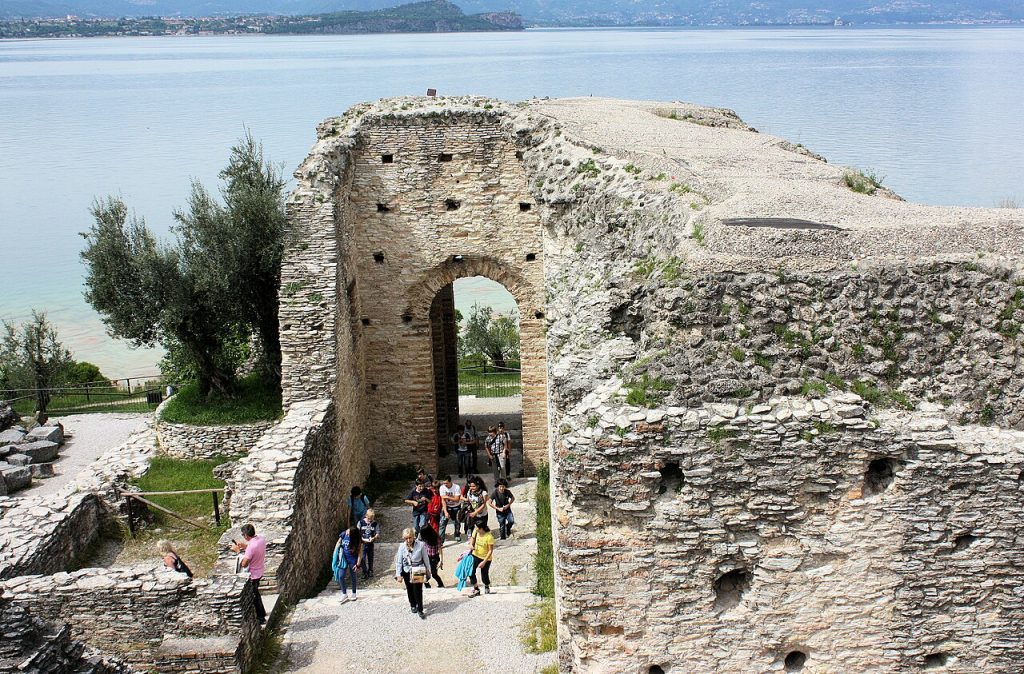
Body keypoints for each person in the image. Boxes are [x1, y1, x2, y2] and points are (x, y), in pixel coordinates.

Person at [231, 524, 267, 624]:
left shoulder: (251, 547)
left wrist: (238, 551)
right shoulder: (261, 539)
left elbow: (244, 563)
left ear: (246, 535)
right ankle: (262, 614)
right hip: (260, 571)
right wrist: (244, 546)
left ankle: (260, 617)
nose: (243, 537)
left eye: (243, 535)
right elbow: (254, 548)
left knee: (254, 595)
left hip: (253, 574)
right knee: (256, 593)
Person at [394, 527, 432, 619]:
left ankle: (420, 609)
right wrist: (398, 574)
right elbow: (399, 561)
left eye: (410, 538)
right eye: (406, 538)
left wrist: (428, 570)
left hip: (418, 568)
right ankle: (413, 604)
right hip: (407, 569)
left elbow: (425, 558)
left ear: (413, 537)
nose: (408, 540)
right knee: (410, 588)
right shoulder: (402, 547)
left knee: (418, 589)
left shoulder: (421, 545)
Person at [333, 525, 362, 603]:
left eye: (349, 533)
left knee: (353, 577)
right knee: (341, 576)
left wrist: (358, 564)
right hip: (343, 560)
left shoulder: (357, 540)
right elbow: (338, 543)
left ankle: (354, 593)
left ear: (353, 535)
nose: (347, 533)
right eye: (347, 531)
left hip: (353, 560)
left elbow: (360, 553)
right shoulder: (343, 534)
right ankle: (344, 594)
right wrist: (335, 554)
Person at [466, 521, 495, 597]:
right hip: (475, 555)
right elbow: (472, 538)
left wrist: (484, 562)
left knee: (484, 575)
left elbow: (490, 550)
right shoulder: (476, 532)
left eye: (477, 527)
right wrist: (471, 545)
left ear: (481, 528)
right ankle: (476, 589)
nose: (475, 529)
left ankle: (486, 585)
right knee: (471, 572)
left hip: (485, 558)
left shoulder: (489, 537)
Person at [439, 475, 464, 543]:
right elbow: (443, 500)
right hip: (447, 507)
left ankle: (457, 535)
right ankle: (441, 540)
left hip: (456, 507)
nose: (445, 485)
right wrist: (445, 511)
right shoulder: (442, 488)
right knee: (442, 523)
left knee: (457, 522)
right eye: (444, 483)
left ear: (450, 482)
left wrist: (447, 497)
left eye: (446, 483)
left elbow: (457, 499)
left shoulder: (456, 487)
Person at [357, 508, 380, 579]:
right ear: (366, 516)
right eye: (369, 518)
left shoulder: (375, 524)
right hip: (362, 544)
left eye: (372, 518)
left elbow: (377, 533)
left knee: (370, 557)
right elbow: (357, 533)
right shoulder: (360, 523)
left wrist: (374, 537)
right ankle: (364, 572)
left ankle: (370, 570)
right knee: (362, 558)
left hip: (370, 544)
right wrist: (361, 539)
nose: (370, 520)